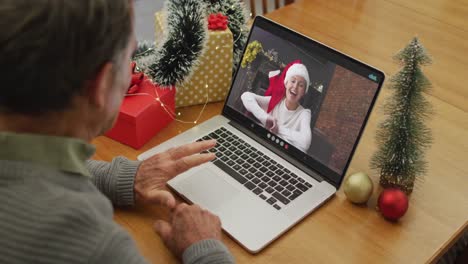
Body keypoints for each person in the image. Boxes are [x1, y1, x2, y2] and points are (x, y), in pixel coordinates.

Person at [0, 1, 233, 263]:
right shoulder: (96, 246)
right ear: (101, 85)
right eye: (130, 57)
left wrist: (122, 178)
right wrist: (205, 248)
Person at [241, 60, 312, 152]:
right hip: (261, 145)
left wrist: (277, 128)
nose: (295, 86)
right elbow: (246, 96)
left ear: (303, 92)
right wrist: (265, 118)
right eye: (293, 81)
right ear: (286, 83)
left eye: (301, 85)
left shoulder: (304, 113)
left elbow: (305, 142)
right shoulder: (276, 102)